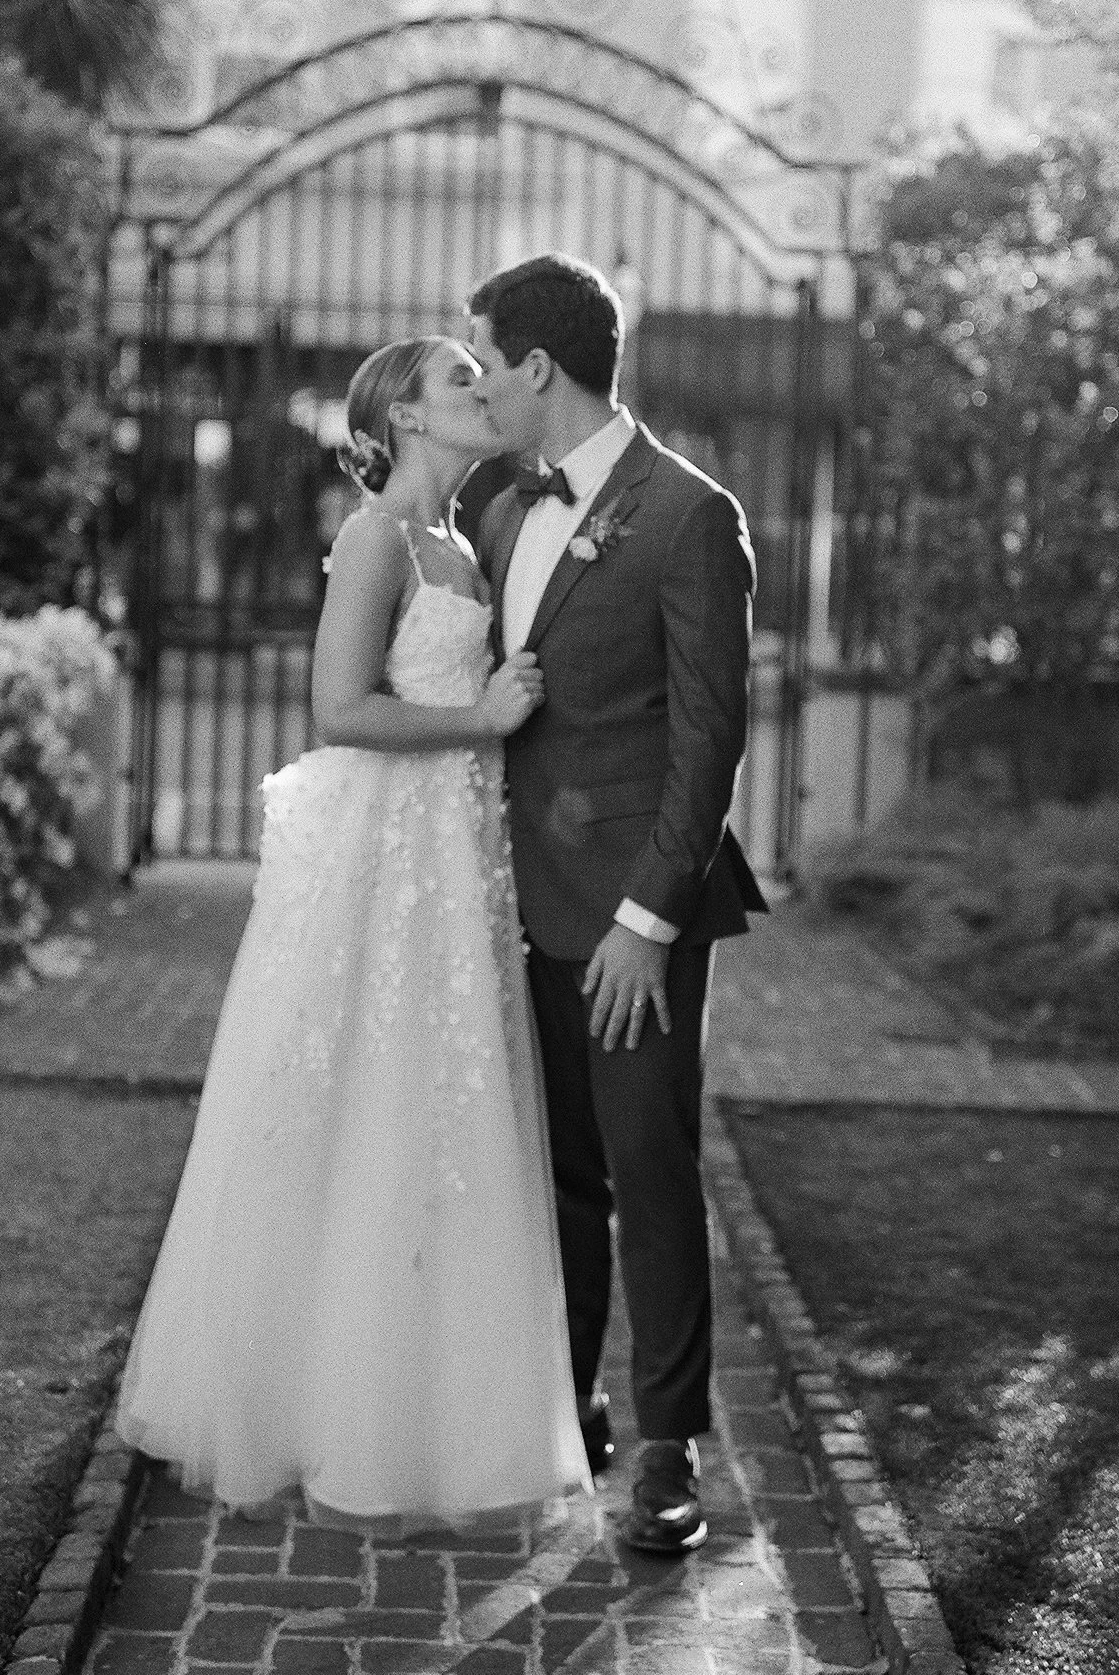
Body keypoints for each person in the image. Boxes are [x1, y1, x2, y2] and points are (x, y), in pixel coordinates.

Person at [115, 335, 591, 1529]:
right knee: (361, 1105)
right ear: (406, 419)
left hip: (458, 858)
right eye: (460, 386)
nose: (483, 396)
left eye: (484, 381)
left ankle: (430, 1404)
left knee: (439, 1113)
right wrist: (481, 718)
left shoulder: (461, 544)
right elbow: (339, 708)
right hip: (393, 854)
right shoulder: (378, 537)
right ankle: (316, 1405)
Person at [467, 253, 767, 1555]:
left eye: (480, 360)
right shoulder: (493, 503)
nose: (471, 382)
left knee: (648, 1174)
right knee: (558, 1178)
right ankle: (568, 1407)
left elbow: (709, 738)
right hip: (517, 901)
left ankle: (666, 1452)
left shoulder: (688, 514)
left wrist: (648, 921)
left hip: (635, 923)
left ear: (538, 369)